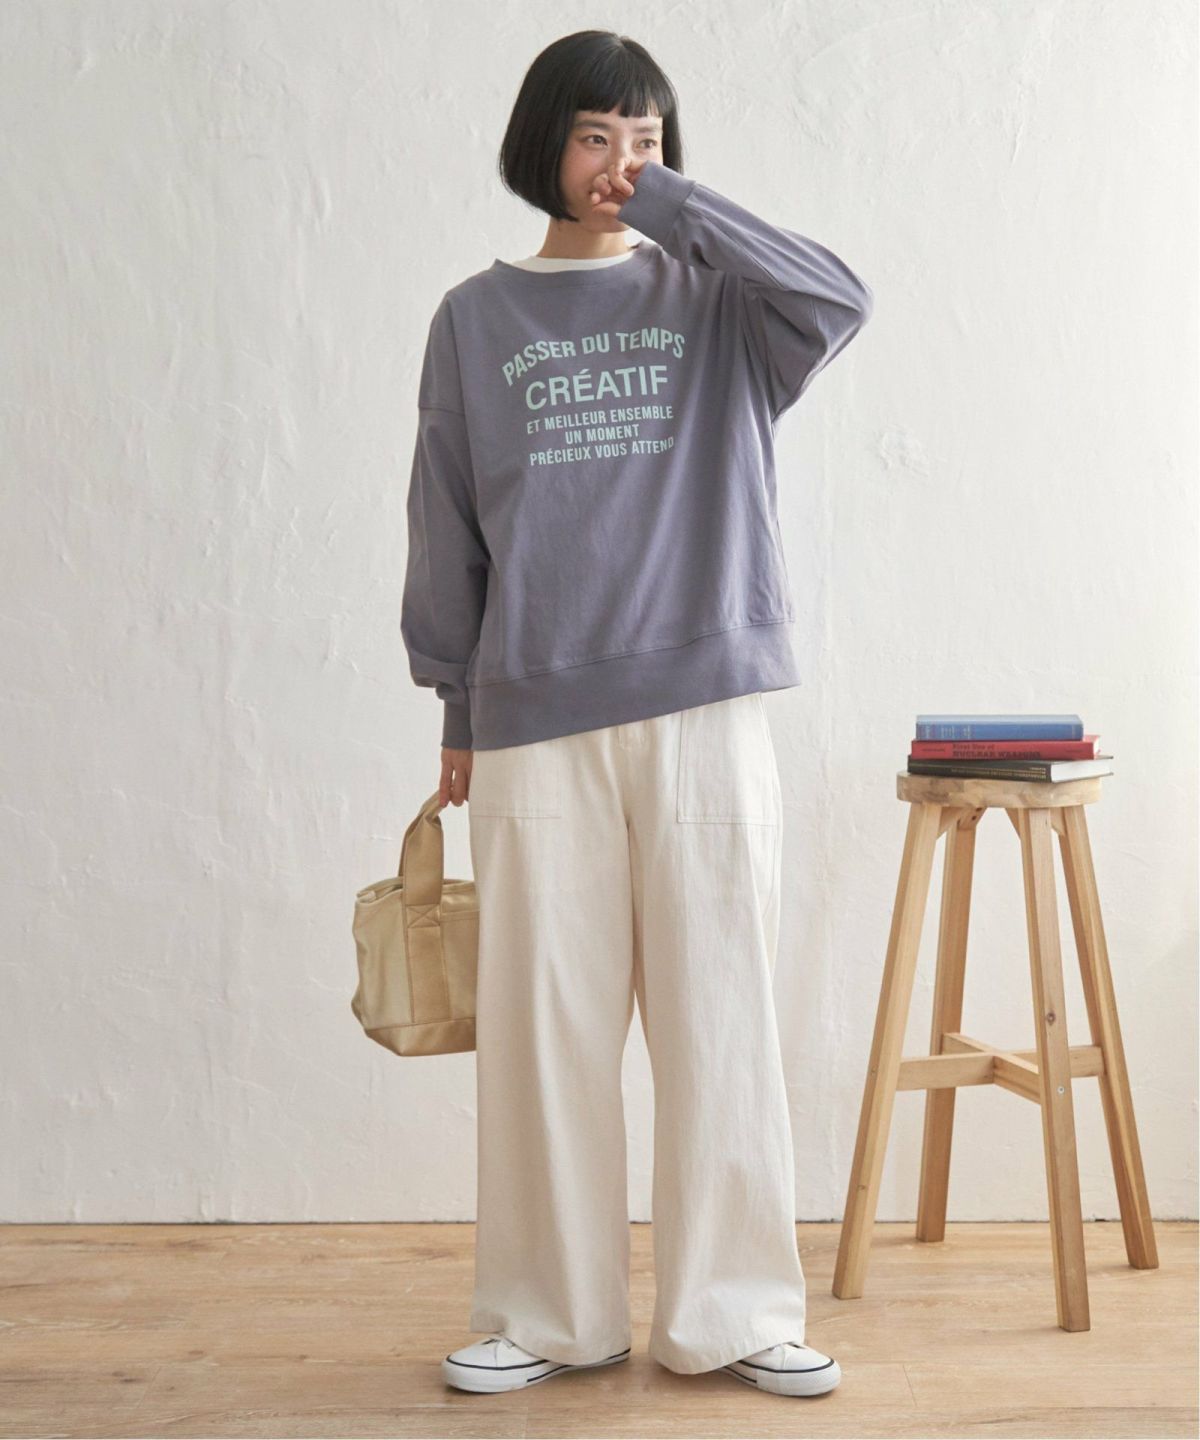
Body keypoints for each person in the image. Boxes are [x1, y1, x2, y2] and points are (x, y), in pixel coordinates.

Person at [400, 29, 872, 1398]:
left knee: (722, 1014)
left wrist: (673, 204)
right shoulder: (475, 318)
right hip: (534, 713)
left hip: (703, 705)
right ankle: (549, 1314)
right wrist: (454, 698)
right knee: (546, 1029)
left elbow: (840, 296)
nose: (622, 162)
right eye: (598, 136)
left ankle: (737, 1314)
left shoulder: (719, 300)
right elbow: (446, 517)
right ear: (544, 144)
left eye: (647, 138)